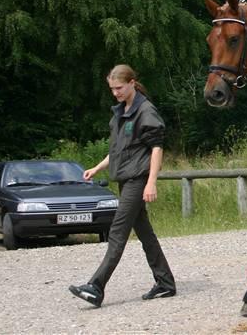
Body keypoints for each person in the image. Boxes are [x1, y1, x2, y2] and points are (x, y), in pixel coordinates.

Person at [69, 64, 176, 307]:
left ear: (131, 83)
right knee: (145, 233)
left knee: (117, 231)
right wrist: (97, 167)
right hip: (126, 179)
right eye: (112, 89)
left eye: (119, 88)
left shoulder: (145, 111)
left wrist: (151, 183)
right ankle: (165, 283)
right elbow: (119, 151)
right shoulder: (121, 111)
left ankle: (96, 286)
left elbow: (157, 149)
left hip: (138, 180)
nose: (115, 92)